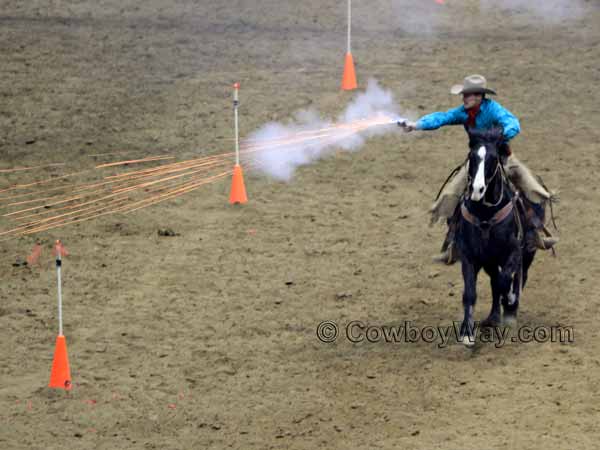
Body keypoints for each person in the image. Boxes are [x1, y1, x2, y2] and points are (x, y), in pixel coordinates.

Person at [401, 74, 558, 263]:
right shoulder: (463, 112)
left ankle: (535, 232)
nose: (464, 98)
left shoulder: (493, 109)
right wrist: (416, 125)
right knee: (450, 195)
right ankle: (452, 243)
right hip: (477, 162)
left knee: (532, 188)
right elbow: (442, 117)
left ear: (479, 97)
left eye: (468, 95)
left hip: (504, 158)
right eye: (464, 95)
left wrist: (499, 137)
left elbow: (513, 123)